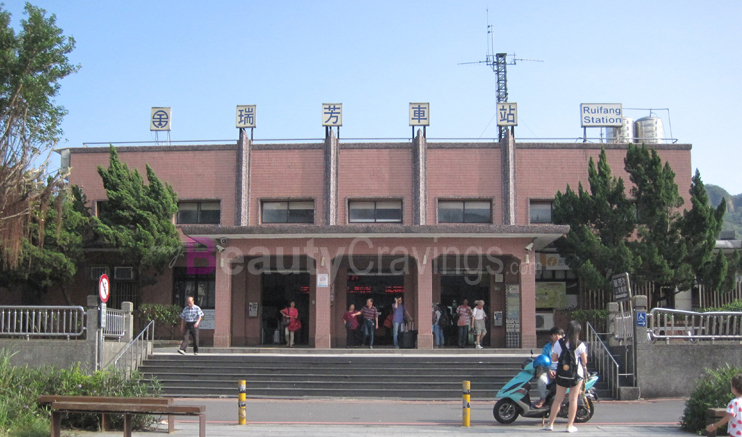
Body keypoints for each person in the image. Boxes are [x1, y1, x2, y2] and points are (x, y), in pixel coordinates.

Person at [545, 320, 588, 433]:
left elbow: (553, 359)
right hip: (576, 375)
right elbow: (584, 361)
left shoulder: (559, 343)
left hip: (562, 374)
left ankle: (550, 424)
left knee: (558, 400)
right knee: (573, 399)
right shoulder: (580, 344)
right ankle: (569, 426)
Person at [534, 326, 564, 408]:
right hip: (549, 372)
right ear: (551, 336)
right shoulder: (547, 347)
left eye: (559, 334)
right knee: (541, 380)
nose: (557, 336)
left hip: (563, 373)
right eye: (555, 334)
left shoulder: (565, 348)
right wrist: (549, 371)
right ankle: (542, 399)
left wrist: (558, 372)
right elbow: (544, 360)